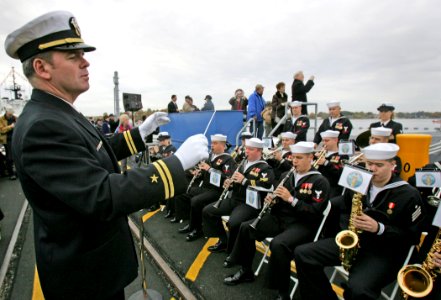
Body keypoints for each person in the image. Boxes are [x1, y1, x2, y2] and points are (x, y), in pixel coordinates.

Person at [5, 11, 209, 300]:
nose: (85, 61)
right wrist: (175, 164)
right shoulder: (43, 126)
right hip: (84, 279)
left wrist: (139, 134)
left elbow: (93, 151)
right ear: (42, 67)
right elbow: (101, 194)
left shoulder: (56, 112)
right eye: (73, 54)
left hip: (92, 266)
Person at [294, 143, 425, 300]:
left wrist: (379, 228)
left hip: (383, 252)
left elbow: (412, 237)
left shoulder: (409, 194)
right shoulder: (359, 182)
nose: (373, 169)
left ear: (392, 165)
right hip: (355, 242)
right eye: (369, 164)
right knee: (303, 254)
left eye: (379, 165)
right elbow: (345, 206)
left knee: (358, 289)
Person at [224, 142, 330, 300]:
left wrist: (291, 199)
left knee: (278, 244)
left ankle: (283, 292)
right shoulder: (286, 175)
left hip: (302, 224)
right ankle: (246, 271)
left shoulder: (320, 181)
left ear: (311, 157)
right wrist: (273, 201)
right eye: (293, 157)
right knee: (246, 227)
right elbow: (280, 200)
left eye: (299, 158)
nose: (294, 161)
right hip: (280, 217)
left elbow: (314, 212)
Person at [202, 138, 275, 256]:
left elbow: (268, 186)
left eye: (250, 149)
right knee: (208, 211)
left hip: (249, 204)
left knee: (234, 222)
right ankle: (224, 241)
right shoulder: (242, 163)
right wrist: (229, 184)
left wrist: (245, 181)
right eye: (246, 148)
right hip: (235, 199)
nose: (247, 151)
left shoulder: (265, 168)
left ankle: (233, 252)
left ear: (259, 151)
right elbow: (235, 180)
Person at [177, 134, 237, 241]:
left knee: (196, 201)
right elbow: (206, 175)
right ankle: (192, 223)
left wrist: (210, 169)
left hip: (217, 190)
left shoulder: (228, 160)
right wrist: (199, 173)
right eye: (211, 143)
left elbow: (227, 178)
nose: (211, 146)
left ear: (223, 145)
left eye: (215, 143)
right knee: (183, 193)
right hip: (205, 188)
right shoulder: (210, 157)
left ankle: (198, 229)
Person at [313, 130, 347, 197]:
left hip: (333, 188)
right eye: (323, 141)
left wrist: (326, 163)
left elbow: (341, 172)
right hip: (319, 186)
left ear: (336, 140)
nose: (324, 143)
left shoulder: (342, 155)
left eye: (327, 141)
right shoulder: (320, 154)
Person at [0, 106, 17, 180]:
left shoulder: (15, 118)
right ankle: (11, 174)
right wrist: (11, 126)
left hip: (16, 139)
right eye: (9, 114)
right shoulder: (1, 119)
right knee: (9, 158)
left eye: (12, 114)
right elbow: (2, 130)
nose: (11, 115)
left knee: (17, 157)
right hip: (7, 141)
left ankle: (17, 172)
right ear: (6, 112)